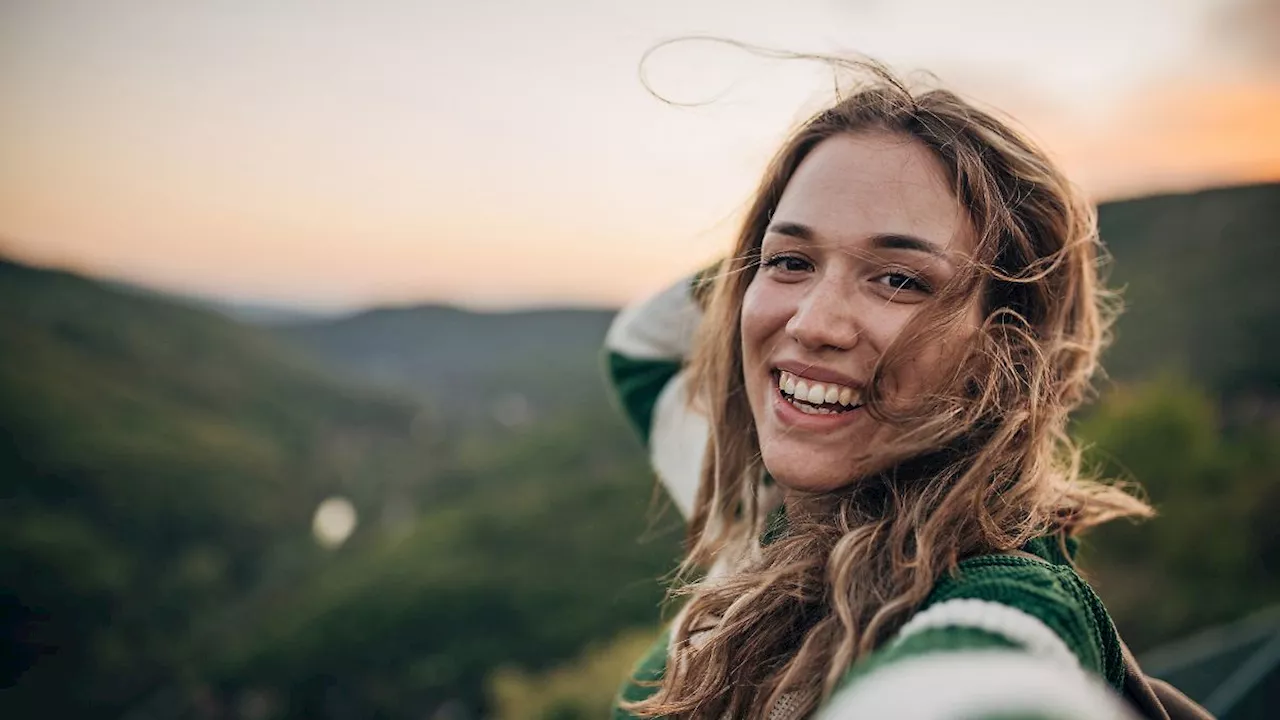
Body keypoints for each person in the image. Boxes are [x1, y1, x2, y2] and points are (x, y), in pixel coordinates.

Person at [603, 61, 1164, 719]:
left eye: (900, 280)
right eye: (789, 261)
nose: (813, 323)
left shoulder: (1005, 596)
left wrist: (818, 224)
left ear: (1003, 346)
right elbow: (639, 350)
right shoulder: (756, 500)